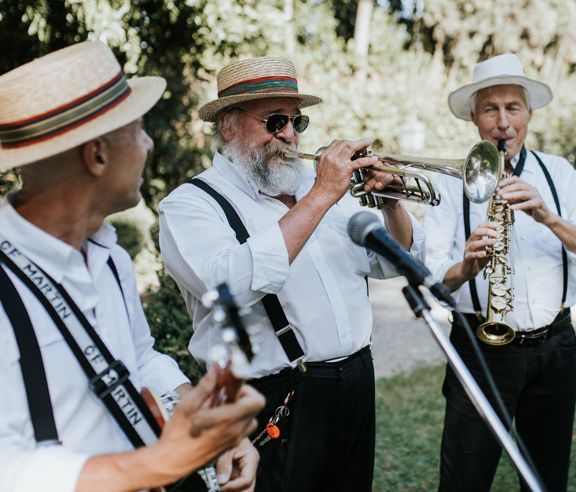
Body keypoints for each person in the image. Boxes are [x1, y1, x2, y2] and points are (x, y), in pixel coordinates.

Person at [0, 41, 264, 492]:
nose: (149, 143)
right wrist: (163, 462)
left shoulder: (112, 257)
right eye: (139, 128)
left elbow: (137, 358)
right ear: (97, 154)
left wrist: (206, 429)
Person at [159, 55, 425, 492]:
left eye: (297, 122)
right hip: (269, 397)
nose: (289, 134)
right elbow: (226, 284)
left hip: (356, 382)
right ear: (228, 125)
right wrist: (322, 195)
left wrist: (392, 203)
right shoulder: (192, 203)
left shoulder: (314, 185)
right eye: (275, 120)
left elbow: (392, 261)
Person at [423, 53, 576, 492]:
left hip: (556, 348)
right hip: (479, 350)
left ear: (529, 114)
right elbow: (433, 279)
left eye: (514, 108)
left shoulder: (559, 172)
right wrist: (468, 265)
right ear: (474, 117)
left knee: (547, 477)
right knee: (464, 479)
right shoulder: (450, 183)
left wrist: (548, 215)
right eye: (491, 108)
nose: (503, 122)